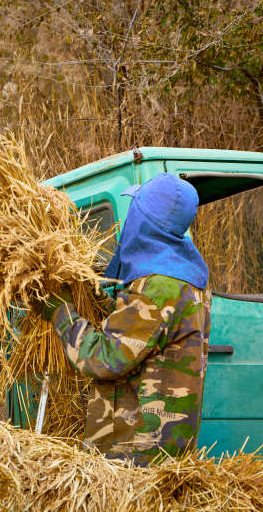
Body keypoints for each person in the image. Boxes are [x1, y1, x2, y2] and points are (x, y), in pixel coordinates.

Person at [41, 172, 211, 465]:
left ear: (143, 224)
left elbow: (103, 360)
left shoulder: (158, 287)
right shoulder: (185, 277)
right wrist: (97, 301)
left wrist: (62, 313)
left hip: (136, 453)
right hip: (161, 447)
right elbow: (142, 336)